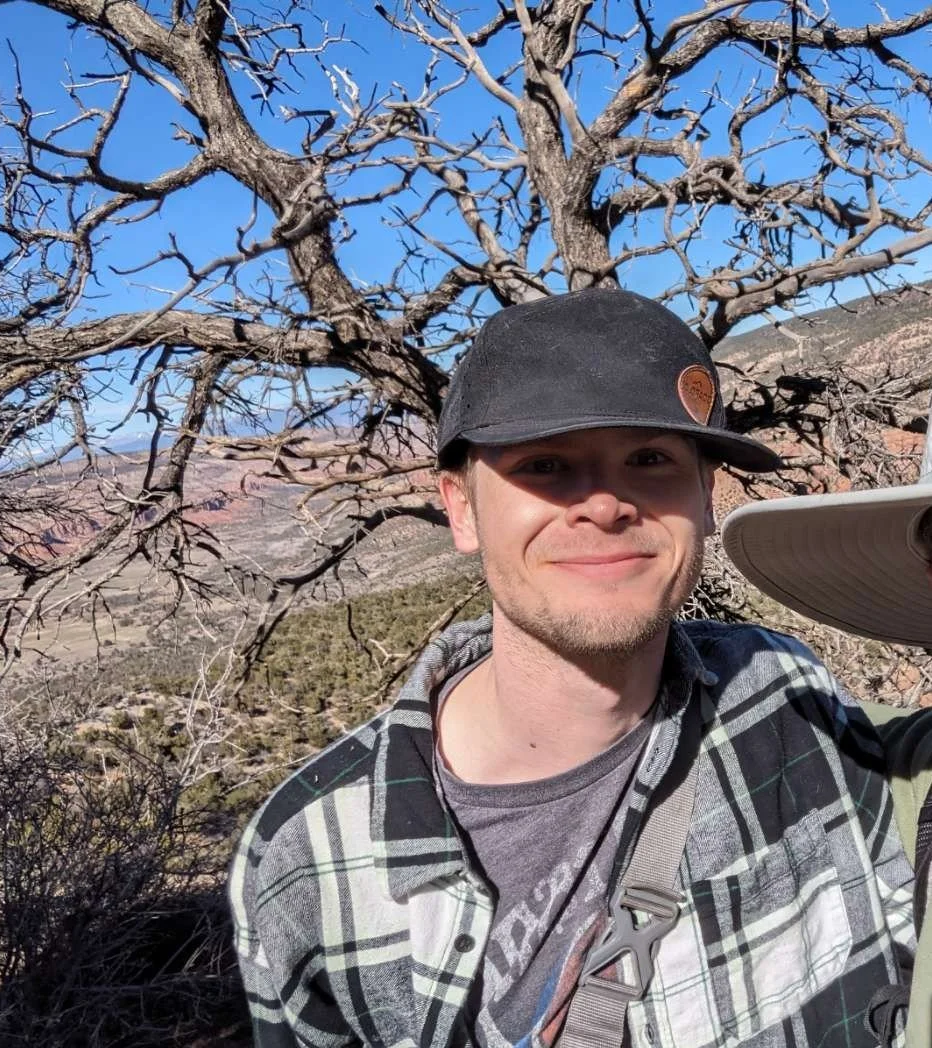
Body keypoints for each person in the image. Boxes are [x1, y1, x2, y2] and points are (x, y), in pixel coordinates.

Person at [229, 288, 915, 1048]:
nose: (605, 505)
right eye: (547, 464)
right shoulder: (309, 857)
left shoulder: (785, 696)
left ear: (705, 498)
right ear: (460, 509)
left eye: (650, 460)